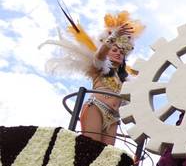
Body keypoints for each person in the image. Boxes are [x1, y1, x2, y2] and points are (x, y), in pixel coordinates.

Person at [43, 8, 144, 147]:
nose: (118, 53)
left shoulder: (124, 79)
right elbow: (100, 55)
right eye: (114, 50)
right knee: (91, 148)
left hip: (114, 117)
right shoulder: (99, 66)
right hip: (96, 108)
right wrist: (114, 35)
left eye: (122, 52)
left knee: (107, 154)